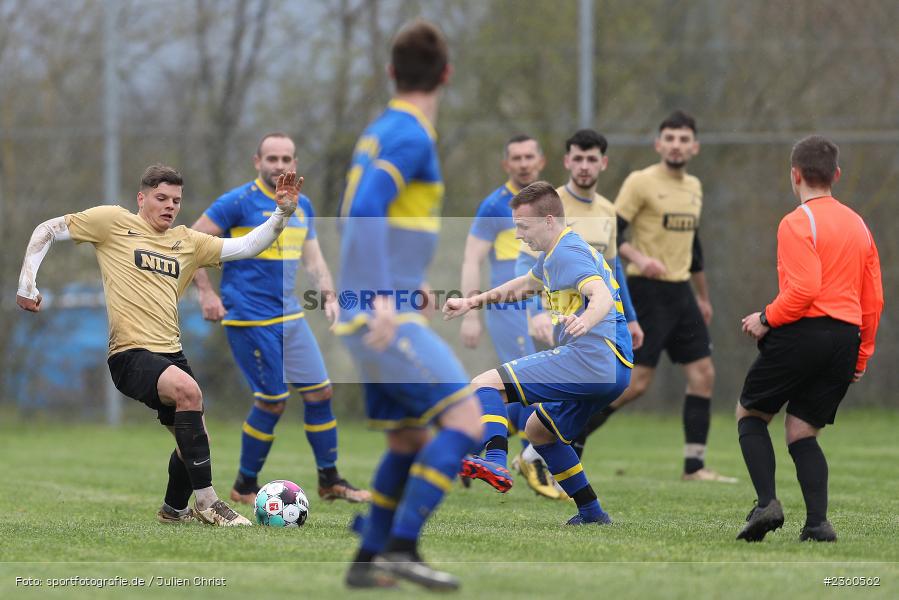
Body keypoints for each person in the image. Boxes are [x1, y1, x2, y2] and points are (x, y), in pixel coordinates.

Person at [16, 164, 307, 526]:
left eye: (176, 200)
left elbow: (247, 246)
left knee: (197, 441)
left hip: (171, 353)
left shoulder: (188, 241)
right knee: (189, 391)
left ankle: (173, 510)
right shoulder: (111, 221)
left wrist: (282, 213)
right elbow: (47, 230)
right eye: (161, 198)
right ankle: (209, 503)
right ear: (142, 198)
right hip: (129, 353)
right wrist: (26, 285)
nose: (170, 205)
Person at [337, 20, 483, 591]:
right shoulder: (411, 136)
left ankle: (368, 561)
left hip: (377, 307)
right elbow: (368, 209)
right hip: (381, 316)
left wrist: (400, 285)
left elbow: (381, 216)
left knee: (409, 439)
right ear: (446, 74)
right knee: (465, 422)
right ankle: (402, 547)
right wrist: (382, 298)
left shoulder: (379, 130)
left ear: (392, 72)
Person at [190, 133, 370, 506]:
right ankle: (244, 485)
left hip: (290, 318)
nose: (279, 165)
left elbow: (313, 258)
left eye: (286, 158)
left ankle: (329, 480)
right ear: (257, 161)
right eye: (271, 158)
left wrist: (329, 294)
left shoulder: (301, 205)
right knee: (273, 401)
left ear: (295, 164)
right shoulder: (237, 202)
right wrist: (205, 292)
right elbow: (191, 241)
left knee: (321, 392)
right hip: (250, 319)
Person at [446, 181, 633, 527]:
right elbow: (521, 287)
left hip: (592, 359)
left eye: (523, 226)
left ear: (549, 220)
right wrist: (471, 302)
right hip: (616, 370)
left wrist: (585, 320)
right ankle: (592, 513)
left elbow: (601, 295)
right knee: (539, 431)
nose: (518, 235)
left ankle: (496, 461)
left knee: (484, 384)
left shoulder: (567, 253)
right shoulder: (554, 255)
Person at [735, 136, 882, 543]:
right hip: (845, 337)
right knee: (802, 432)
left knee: (751, 414)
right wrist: (861, 354)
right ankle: (817, 523)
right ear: (836, 175)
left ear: (794, 175)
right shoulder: (859, 224)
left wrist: (766, 317)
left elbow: (804, 290)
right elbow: (874, 299)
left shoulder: (798, 221)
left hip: (806, 331)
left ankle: (766, 503)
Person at [584, 110, 735, 482]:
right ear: (658, 144)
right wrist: (639, 257)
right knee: (635, 384)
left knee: (703, 374)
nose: (676, 145)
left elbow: (693, 247)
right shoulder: (640, 182)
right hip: (646, 291)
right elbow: (611, 235)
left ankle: (694, 467)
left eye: (684, 139)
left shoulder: (694, 187)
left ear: (694, 147)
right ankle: (567, 436)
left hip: (681, 293)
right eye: (670, 138)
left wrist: (702, 296)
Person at [511, 129, 644, 499]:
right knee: (538, 398)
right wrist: (535, 313)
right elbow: (527, 269)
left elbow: (612, 272)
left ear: (603, 163)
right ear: (567, 160)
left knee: (575, 403)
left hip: (601, 328)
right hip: (563, 323)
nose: (584, 166)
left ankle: (538, 459)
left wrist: (630, 317)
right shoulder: (547, 206)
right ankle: (522, 454)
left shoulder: (607, 212)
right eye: (577, 158)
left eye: (592, 159)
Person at [460, 134, 544, 362]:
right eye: (517, 158)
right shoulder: (494, 206)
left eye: (529, 157)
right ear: (506, 165)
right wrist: (470, 316)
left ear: (541, 161)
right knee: (525, 384)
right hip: (509, 309)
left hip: (549, 308)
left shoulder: (554, 203)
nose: (524, 164)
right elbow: (471, 260)